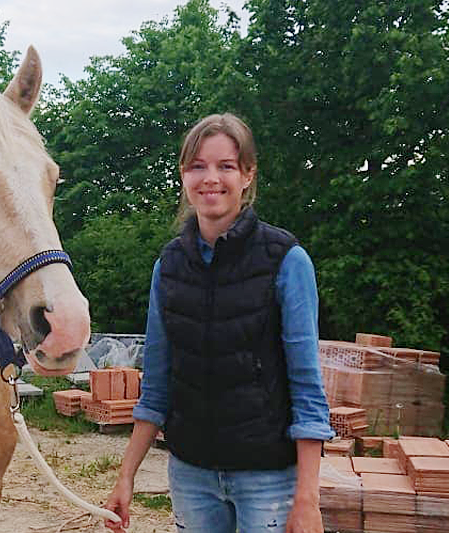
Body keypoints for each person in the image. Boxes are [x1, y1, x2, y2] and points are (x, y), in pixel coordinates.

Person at [103, 113, 334, 533]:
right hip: (192, 476)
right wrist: (126, 476)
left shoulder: (286, 260)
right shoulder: (168, 267)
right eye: (198, 167)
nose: (211, 179)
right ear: (183, 176)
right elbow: (156, 384)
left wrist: (308, 499)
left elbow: (306, 386)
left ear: (247, 175)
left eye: (226, 166)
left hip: (268, 479)